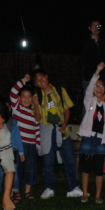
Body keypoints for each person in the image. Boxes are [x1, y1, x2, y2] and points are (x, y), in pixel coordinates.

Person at [32, 69, 82, 199]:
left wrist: (65, 123)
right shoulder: (36, 96)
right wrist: (36, 105)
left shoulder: (60, 90)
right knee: (48, 161)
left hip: (61, 130)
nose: (40, 80)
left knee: (69, 159)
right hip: (46, 131)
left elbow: (67, 109)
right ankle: (49, 187)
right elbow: (37, 118)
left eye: (41, 77)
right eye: (37, 80)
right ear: (36, 84)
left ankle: (73, 187)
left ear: (46, 76)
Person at [78, 63, 105, 203]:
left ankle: (98, 195)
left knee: (99, 169)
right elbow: (90, 86)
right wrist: (98, 70)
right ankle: (85, 193)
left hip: (101, 141)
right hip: (88, 138)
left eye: (102, 86)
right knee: (86, 168)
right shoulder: (89, 100)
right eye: (97, 86)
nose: (99, 88)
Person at [8, 75, 40, 200]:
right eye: (24, 96)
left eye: (29, 97)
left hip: (31, 145)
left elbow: (37, 124)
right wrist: (23, 81)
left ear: (33, 98)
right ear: (19, 98)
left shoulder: (33, 111)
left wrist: (38, 143)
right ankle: (16, 191)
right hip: (18, 144)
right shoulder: (17, 108)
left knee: (30, 167)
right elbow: (13, 92)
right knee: (16, 168)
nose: (26, 99)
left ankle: (27, 191)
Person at [82, 20, 105, 91]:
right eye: (94, 26)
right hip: (89, 76)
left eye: (98, 26)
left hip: (102, 76)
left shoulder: (103, 42)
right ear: (89, 28)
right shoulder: (86, 41)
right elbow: (86, 57)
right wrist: (92, 41)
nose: (96, 28)